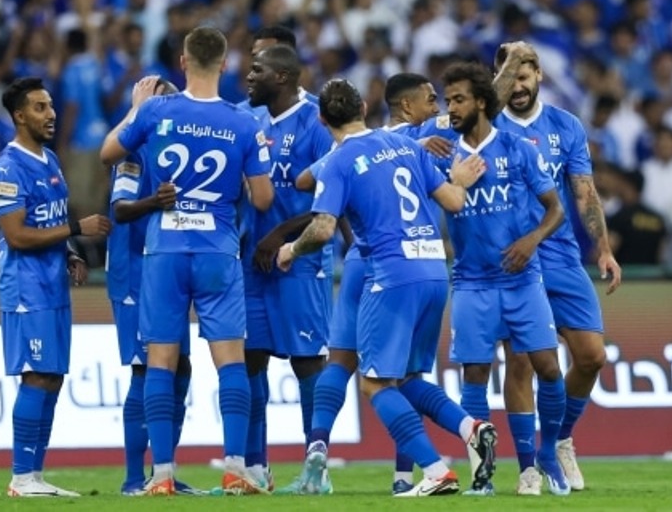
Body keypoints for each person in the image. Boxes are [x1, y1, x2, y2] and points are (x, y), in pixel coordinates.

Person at [276, 78, 495, 497]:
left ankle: (434, 471)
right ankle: (471, 428)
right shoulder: (408, 146)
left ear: (321, 120)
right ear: (364, 107)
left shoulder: (338, 161)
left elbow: (321, 228)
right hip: (434, 270)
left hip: (390, 274)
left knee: (373, 382)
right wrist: (458, 179)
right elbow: (454, 201)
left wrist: (291, 249)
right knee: (409, 378)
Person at [99, 26, 274, 496]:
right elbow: (262, 199)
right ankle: (235, 468)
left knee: (160, 361)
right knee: (230, 361)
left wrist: (135, 109)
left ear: (182, 62)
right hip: (217, 249)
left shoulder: (156, 110)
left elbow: (108, 152)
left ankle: (161, 476)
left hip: (165, 251)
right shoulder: (244, 122)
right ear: (225, 64)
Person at [493, 44, 622, 495]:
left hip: (563, 255)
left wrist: (603, 249)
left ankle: (560, 440)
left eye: (524, 75)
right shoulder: (489, 127)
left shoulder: (566, 126)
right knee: (521, 362)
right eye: (510, 77)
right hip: (513, 258)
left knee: (592, 356)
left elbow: (584, 192)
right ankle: (528, 467)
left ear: (539, 76)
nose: (518, 86)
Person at [438, 61, 570, 496]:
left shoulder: (517, 149)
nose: (451, 108)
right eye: (447, 100)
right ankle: (484, 474)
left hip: (522, 279)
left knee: (548, 368)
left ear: (481, 101)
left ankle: (543, 456)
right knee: (475, 374)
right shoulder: (443, 154)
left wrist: (532, 240)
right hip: (471, 283)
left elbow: (556, 209)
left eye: (458, 100)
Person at [0, 77, 111, 497]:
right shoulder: (8, 167)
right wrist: (77, 229)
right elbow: (18, 236)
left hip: (53, 284)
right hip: (26, 288)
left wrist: (70, 252)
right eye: (40, 107)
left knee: (53, 378)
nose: (51, 114)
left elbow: (50, 221)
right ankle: (21, 476)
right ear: (19, 116)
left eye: (51, 106)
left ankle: (35, 476)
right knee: (37, 376)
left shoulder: (51, 160)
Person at [242, 43, 335, 493]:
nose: (248, 77)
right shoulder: (250, 121)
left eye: (256, 69)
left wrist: (280, 235)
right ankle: (254, 468)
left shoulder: (316, 123)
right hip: (251, 262)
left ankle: (316, 468)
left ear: (281, 76)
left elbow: (330, 199)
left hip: (298, 260)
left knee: (307, 361)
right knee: (250, 358)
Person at [104, 78, 200, 496]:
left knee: (181, 367)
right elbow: (121, 210)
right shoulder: (135, 151)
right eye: (166, 101)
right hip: (135, 272)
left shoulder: (173, 151)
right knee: (146, 370)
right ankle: (132, 478)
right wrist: (156, 202)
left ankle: (164, 470)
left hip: (165, 269)